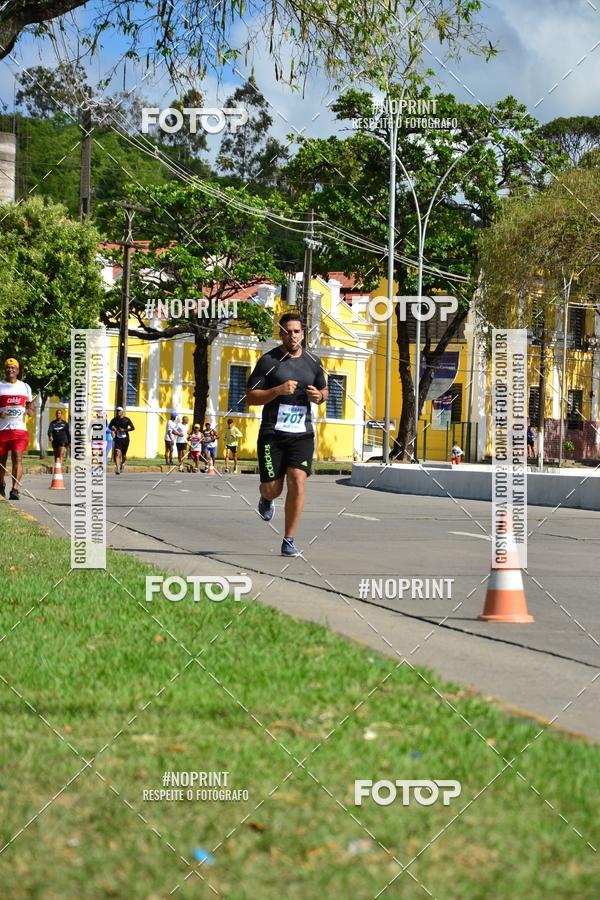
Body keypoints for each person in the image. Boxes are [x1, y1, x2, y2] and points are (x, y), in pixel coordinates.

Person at [247, 312, 328, 557]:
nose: (292, 335)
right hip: (273, 433)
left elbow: (324, 390)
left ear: (302, 333)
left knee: (298, 480)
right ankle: (266, 498)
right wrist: (277, 390)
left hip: (302, 433)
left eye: (296, 331)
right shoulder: (268, 361)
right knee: (273, 488)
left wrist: (319, 397)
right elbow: (250, 397)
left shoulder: (313, 362)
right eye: (287, 331)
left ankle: (289, 540)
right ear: (280, 333)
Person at [0, 357, 33, 501]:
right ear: (4, 369)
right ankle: (1, 484)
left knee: (17, 458)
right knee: (1, 460)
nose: (10, 369)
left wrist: (28, 411)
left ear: (18, 370)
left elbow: (30, 407)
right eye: (8, 367)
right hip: (2, 430)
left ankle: (15, 490)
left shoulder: (25, 387)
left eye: (13, 367)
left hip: (19, 430)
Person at [108, 406, 135, 474]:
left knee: (124, 455)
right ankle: (118, 468)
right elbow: (110, 426)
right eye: (117, 411)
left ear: (122, 412)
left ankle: (123, 463)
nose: (118, 412)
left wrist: (124, 430)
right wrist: (112, 429)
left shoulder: (127, 419)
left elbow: (133, 428)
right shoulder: (114, 419)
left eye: (119, 411)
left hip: (125, 439)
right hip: (117, 438)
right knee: (117, 453)